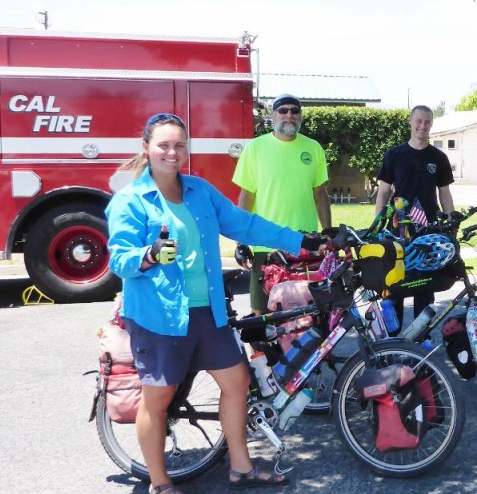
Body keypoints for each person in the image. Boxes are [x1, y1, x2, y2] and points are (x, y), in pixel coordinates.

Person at [106, 113, 326, 493]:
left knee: (237, 382)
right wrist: (149, 254)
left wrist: (300, 241)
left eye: (179, 145)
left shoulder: (199, 191)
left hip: (208, 309)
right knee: (158, 399)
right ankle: (160, 483)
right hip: (159, 315)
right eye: (163, 145)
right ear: (147, 148)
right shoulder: (130, 201)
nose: (172, 152)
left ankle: (241, 468)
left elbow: (246, 224)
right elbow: (118, 260)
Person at [232, 93, 331, 315]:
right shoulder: (255, 148)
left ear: (301, 115)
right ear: (273, 115)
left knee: (306, 311)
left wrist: (327, 233)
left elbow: (320, 194)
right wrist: (241, 241)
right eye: (283, 110)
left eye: (295, 111)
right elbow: (246, 196)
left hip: (304, 244)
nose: (289, 115)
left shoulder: (313, 148)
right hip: (265, 244)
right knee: (262, 313)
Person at [374, 105, 455, 325]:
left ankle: (421, 337)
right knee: (395, 285)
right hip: (397, 229)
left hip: (428, 231)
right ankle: (393, 338)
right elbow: (383, 192)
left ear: (431, 124)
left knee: (425, 287)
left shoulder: (439, 157)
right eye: (418, 121)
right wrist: (377, 225)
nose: (422, 126)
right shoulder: (394, 155)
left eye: (427, 122)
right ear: (410, 121)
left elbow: (445, 193)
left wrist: (451, 223)